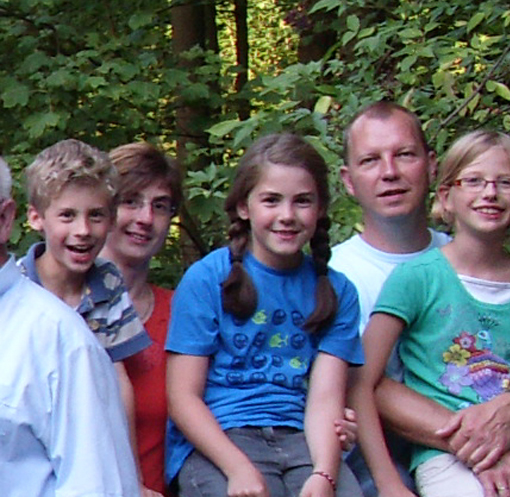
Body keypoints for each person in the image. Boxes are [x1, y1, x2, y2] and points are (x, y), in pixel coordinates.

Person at [330, 101, 510, 496]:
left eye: (404, 155)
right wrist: (481, 447)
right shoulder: (333, 278)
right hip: (376, 467)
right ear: (349, 180)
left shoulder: (476, 253)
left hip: (494, 448)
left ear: (433, 165)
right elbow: (362, 384)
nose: (390, 173)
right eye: (370, 160)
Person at [165, 133, 364, 497]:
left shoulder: (337, 291)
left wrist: (324, 475)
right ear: (244, 206)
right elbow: (182, 399)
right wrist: (238, 469)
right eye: (271, 200)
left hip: (302, 438)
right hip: (220, 441)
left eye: (302, 202)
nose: (287, 216)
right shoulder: (209, 278)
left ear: (320, 209)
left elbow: (324, 399)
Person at [17, 139, 153, 496]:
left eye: (96, 215)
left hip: (89, 442)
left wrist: (132, 478)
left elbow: (118, 382)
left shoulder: (106, 282)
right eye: (67, 215)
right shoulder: (18, 288)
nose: (83, 230)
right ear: (35, 217)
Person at [101, 142, 183, 496]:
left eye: (160, 206)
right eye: (130, 201)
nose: (146, 218)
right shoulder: (56, 309)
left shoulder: (185, 312)